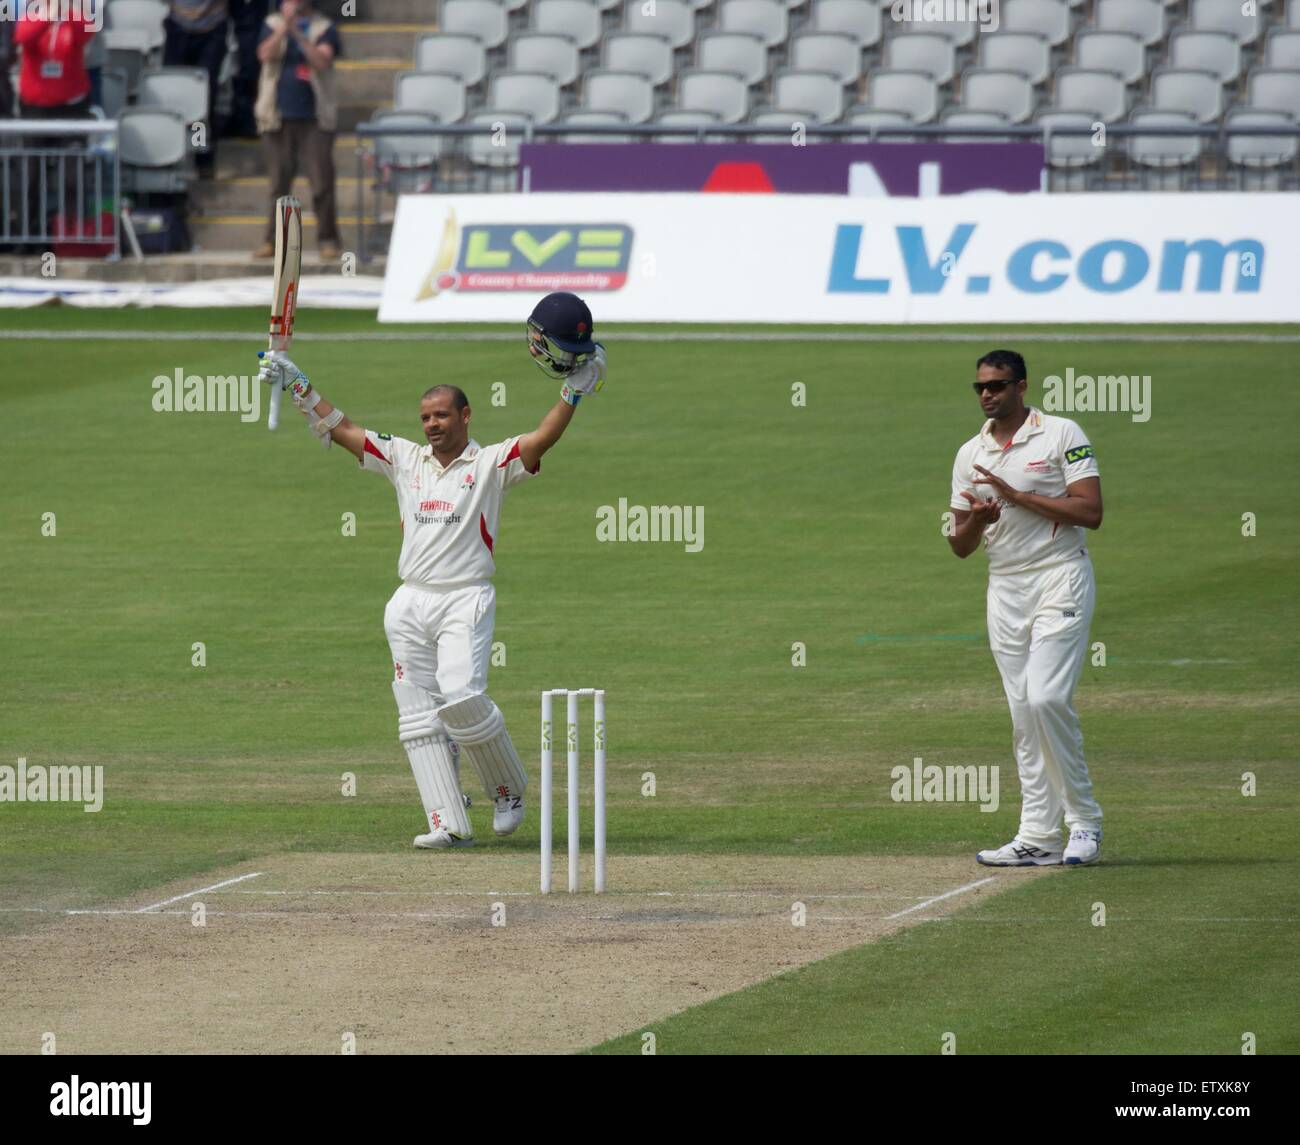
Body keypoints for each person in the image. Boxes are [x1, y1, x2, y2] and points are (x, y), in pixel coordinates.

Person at [256, 292, 608, 848]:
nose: (432, 425)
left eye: (442, 415)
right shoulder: (405, 459)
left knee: (461, 695)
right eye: (425, 417)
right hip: (410, 601)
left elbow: (541, 440)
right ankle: (446, 821)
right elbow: (345, 430)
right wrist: (299, 385)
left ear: (465, 415)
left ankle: (508, 788)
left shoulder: (491, 463)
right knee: (418, 715)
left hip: (465, 597)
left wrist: (572, 392)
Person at [946, 349, 1105, 867]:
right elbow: (959, 545)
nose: (987, 394)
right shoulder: (970, 453)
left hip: (1060, 576)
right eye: (980, 388)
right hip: (1005, 587)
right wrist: (981, 519)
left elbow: (1091, 510)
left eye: (997, 385)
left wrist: (1017, 495)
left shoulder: (1061, 434)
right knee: (1022, 713)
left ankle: (1084, 822)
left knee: (1046, 699)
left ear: (1021, 386)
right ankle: (1038, 833)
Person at [253, 0, 341, 260]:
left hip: (315, 117)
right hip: (276, 116)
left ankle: (328, 239)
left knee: (322, 183)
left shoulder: (324, 28)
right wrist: (284, 28)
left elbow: (322, 61)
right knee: (278, 185)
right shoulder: (271, 25)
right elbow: (264, 54)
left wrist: (298, 33)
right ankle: (272, 240)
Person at [163, 0, 229, 177]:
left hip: (212, 27)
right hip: (177, 27)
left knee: (203, 101)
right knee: (172, 96)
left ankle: (202, 157)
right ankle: (170, 158)